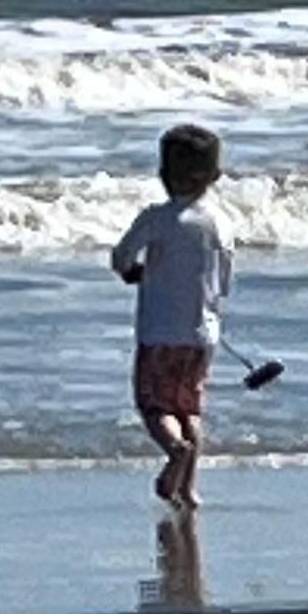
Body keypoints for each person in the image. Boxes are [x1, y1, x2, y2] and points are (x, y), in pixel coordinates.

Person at [110, 121, 232, 509]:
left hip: (159, 333)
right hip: (202, 335)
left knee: (157, 407)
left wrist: (134, 272)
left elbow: (122, 257)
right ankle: (187, 487)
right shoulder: (219, 222)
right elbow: (224, 278)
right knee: (189, 408)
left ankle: (173, 451)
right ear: (215, 176)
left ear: (163, 173)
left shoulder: (157, 218)